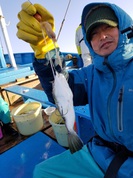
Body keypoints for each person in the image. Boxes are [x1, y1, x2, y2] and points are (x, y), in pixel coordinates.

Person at [17, 2, 133, 178]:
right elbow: (61, 84)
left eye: (108, 27)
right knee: (42, 172)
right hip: (98, 152)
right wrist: (45, 53)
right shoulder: (89, 75)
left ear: (124, 28)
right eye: (94, 33)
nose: (102, 36)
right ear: (88, 42)